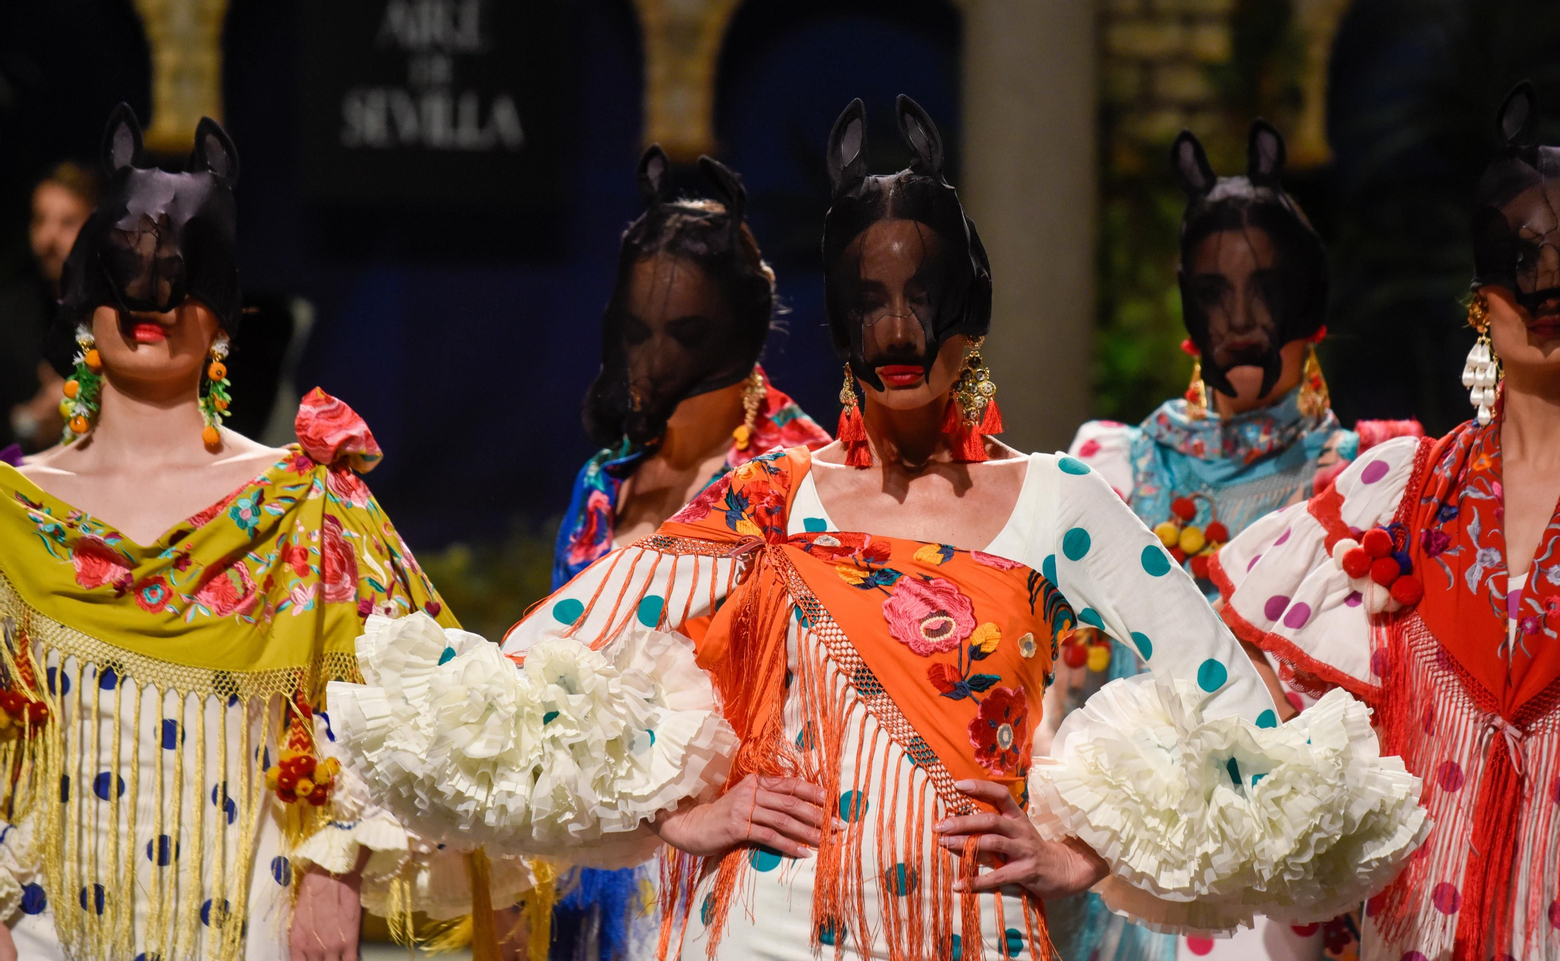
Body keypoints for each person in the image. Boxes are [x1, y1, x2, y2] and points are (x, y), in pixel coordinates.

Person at [330, 96, 1426, 961]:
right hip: (769, 928)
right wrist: (677, 813)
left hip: (979, 925)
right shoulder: (768, 498)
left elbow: (1229, 698)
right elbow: (544, 664)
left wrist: (1081, 848)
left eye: (926, 292)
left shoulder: (1058, 504)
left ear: (974, 311)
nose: (899, 328)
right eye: (869, 298)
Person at [0, 105, 526, 961]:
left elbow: (415, 703)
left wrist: (338, 860)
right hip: (44, 919)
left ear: (223, 317)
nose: (152, 300)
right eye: (125, 267)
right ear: (86, 300)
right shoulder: (13, 511)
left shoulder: (304, 502)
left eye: (181, 271)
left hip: (253, 911)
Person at [1214, 81, 1560, 960]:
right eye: (1522, 257)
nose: (1552, 285)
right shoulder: (1400, 494)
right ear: (1480, 297)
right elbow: (1285, 737)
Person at [1064, 122, 1420, 961]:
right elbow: (1064, 678)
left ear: (1314, 302)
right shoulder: (1118, 469)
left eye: (1269, 288)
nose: (1244, 320)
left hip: (1308, 888)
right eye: (1216, 291)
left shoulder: (1376, 476)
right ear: (1189, 303)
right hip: (1142, 879)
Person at [549, 147, 829, 961]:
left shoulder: (800, 476)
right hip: (594, 857)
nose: (652, 358)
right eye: (635, 330)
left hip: (734, 870)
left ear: (739, 328)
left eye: (684, 332)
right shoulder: (605, 480)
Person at [0, 161, 98, 455]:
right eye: (40, 220)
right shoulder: (10, 314)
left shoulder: (115, 316)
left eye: (67, 222)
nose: (48, 238)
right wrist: (31, 423)